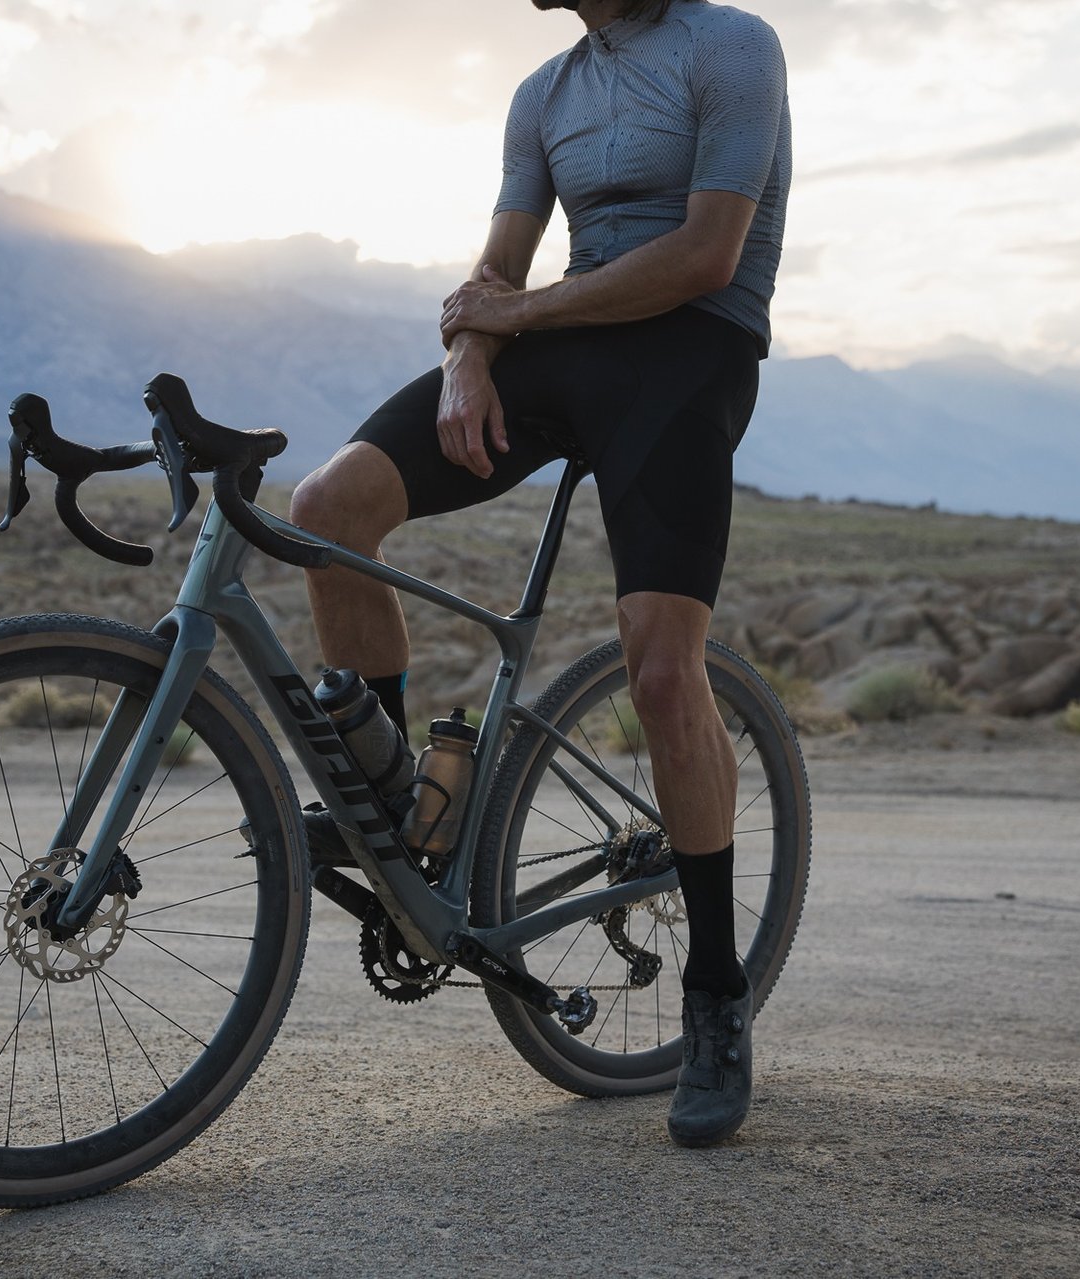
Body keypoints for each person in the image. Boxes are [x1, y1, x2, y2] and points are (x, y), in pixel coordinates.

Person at [291, 0, 791, 1147]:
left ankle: (715, 995)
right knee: (327, 511)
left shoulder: (733, 47)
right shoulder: (546, 92)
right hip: (559, 344)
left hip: (691, 347)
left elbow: (706, 251)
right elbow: (498, 266)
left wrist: (513, 315)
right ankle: (409, 815)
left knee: (664, 675)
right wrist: (472, 349)